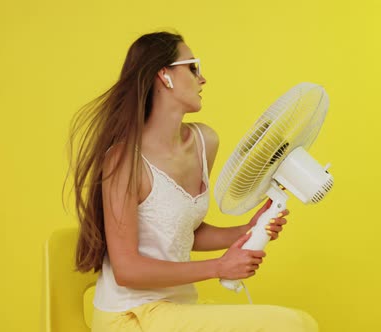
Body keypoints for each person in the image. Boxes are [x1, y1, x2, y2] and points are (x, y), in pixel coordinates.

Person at [68, 31, 318, 331]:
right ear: (165, 75)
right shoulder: (124, 162)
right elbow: (127, 270)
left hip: (177, 308)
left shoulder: (204, 142)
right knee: (293, 325)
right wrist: (219, 267)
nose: (203, 79)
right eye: (193, 67)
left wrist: (248, 229)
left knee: (300, 322)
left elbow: (182, 232)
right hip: (130, 316)